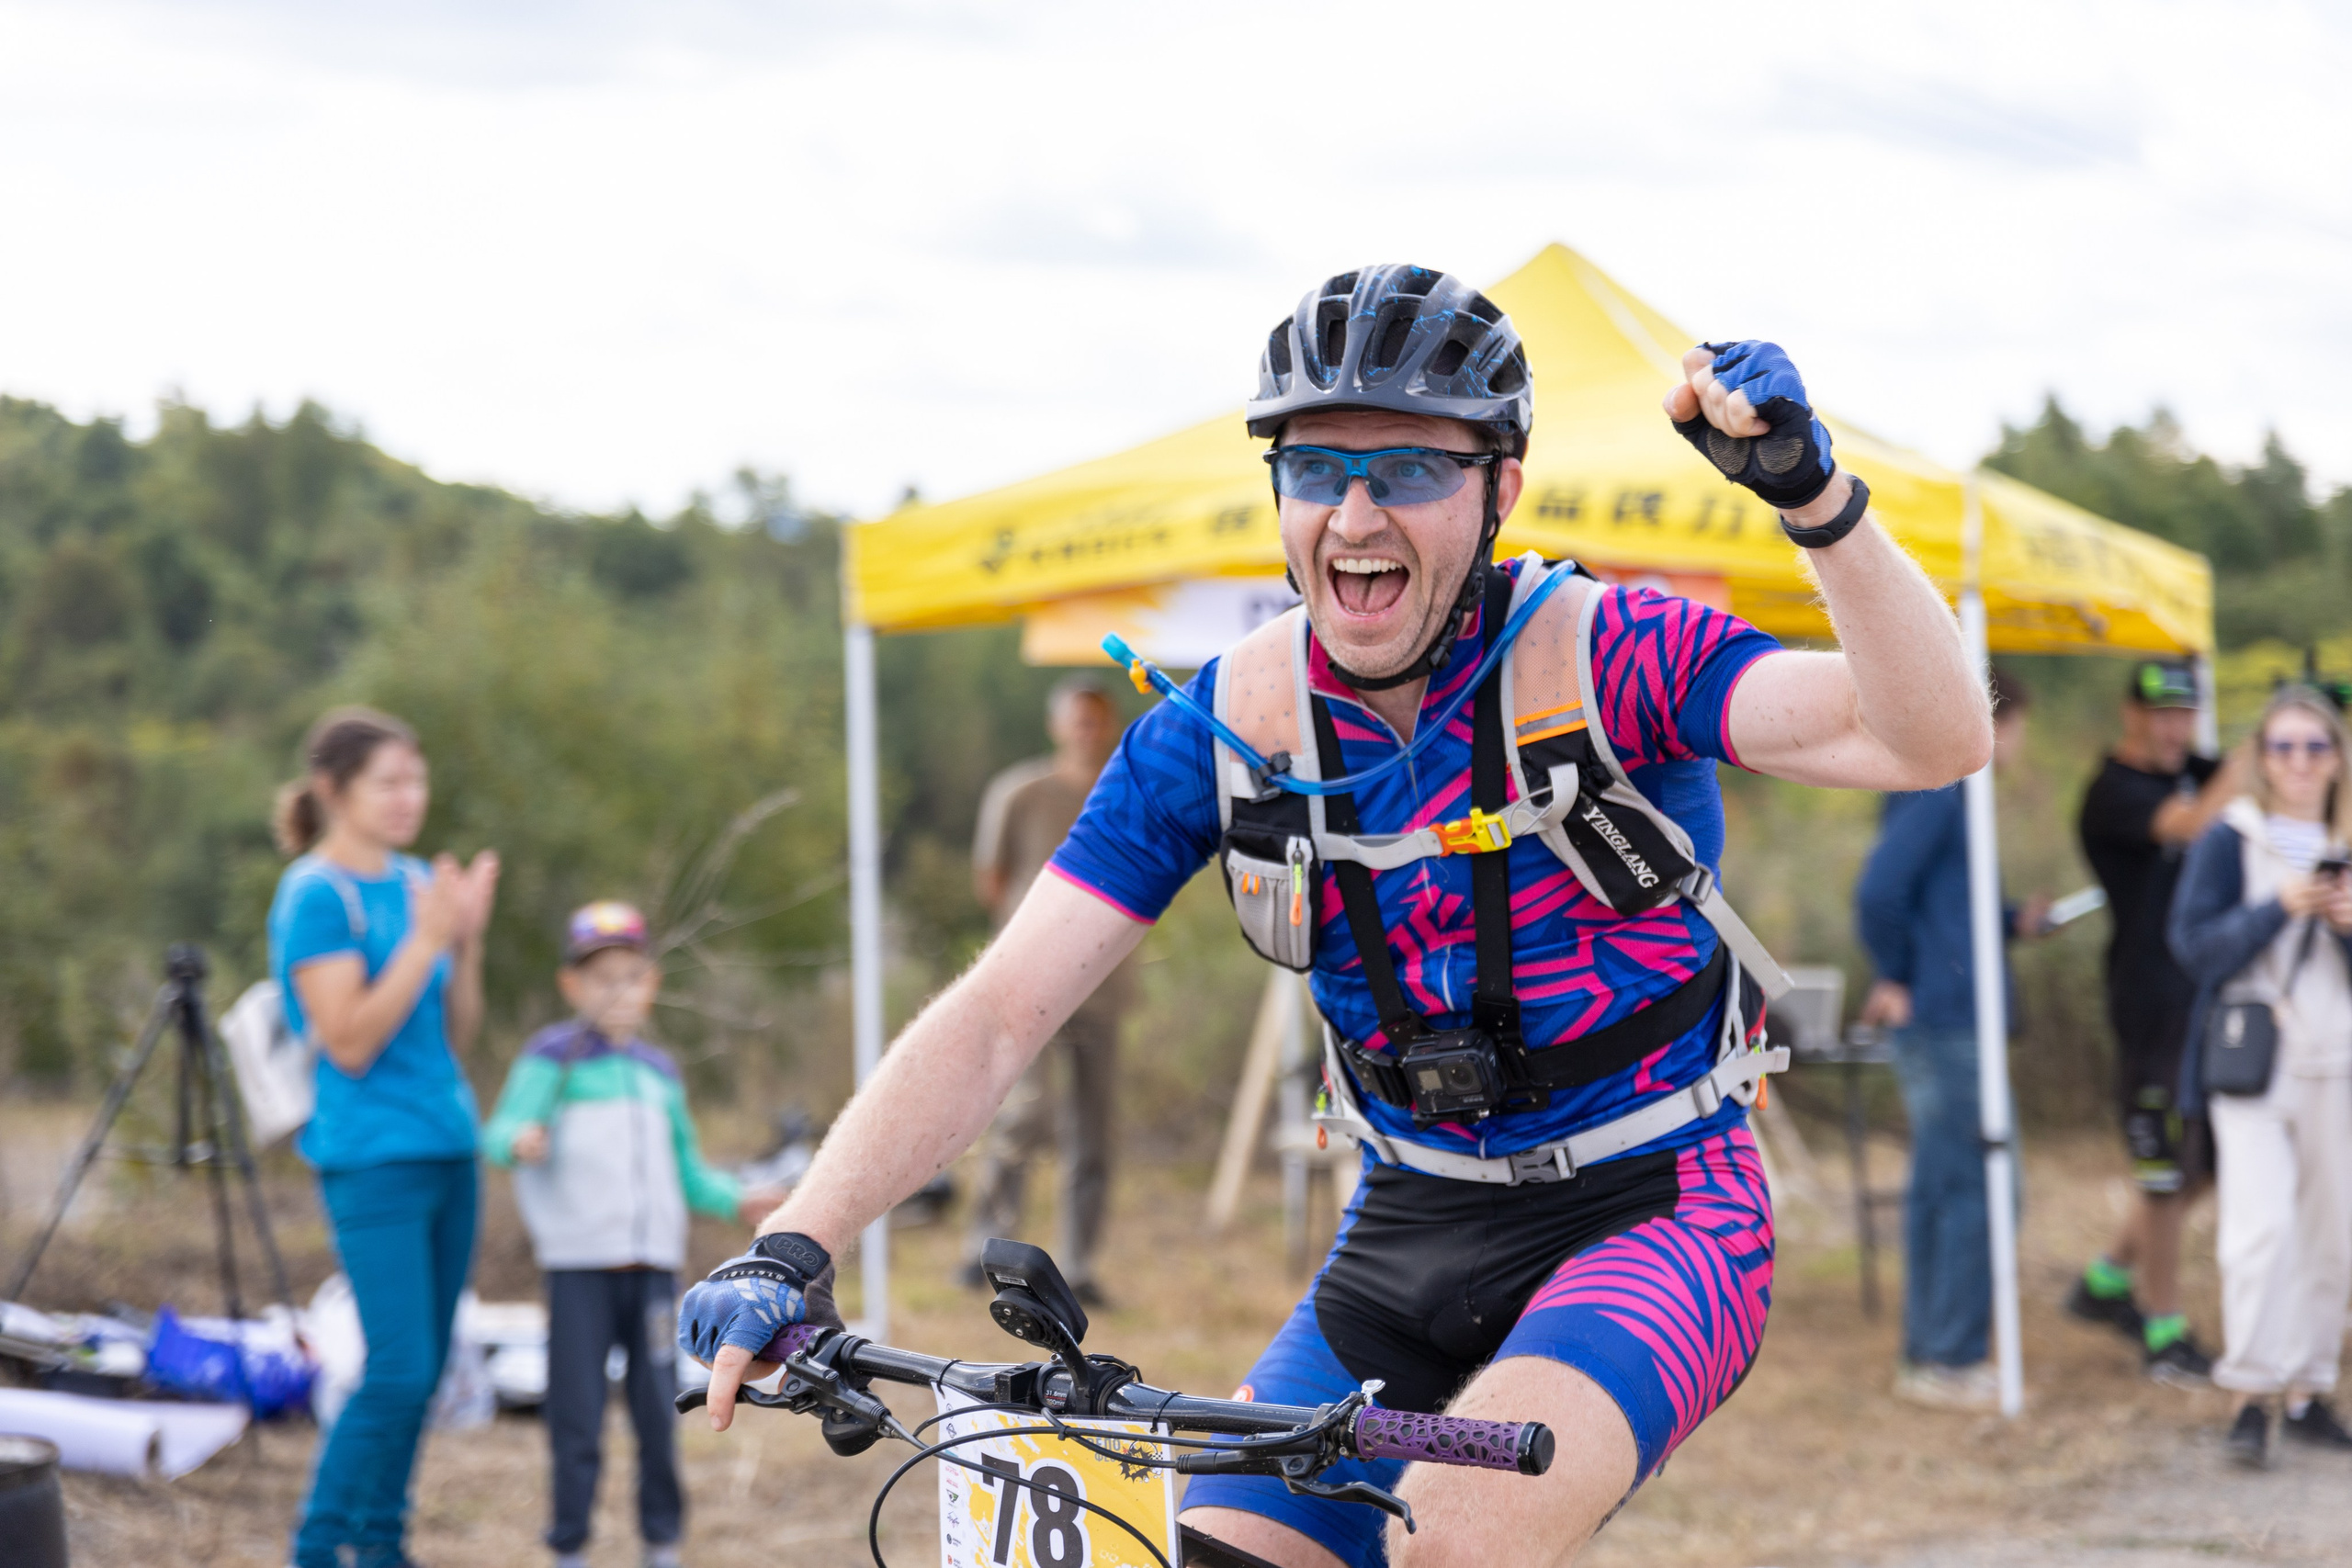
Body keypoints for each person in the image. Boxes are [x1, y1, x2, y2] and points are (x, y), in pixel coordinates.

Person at [678, 266, 1993, 1568]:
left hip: (1654, 1203)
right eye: (1316, 468)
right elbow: (1000, 1010)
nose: (1356, 515)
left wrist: (1815, 501)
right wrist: (793, 1243)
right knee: (1218, 1555)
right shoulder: (1220, 728)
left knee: (1452, 1536)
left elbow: (1933, 738)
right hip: (1409, 1220)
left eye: (1409, 468)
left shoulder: (1611, 652)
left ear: (1500, 488)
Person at [483, 902, 782, 1568]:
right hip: (578, 1271)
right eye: (601, 979)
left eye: (630, 977)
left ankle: (661, 1541)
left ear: (652, 984)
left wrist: (736, 1198)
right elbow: (499, 1133)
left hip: (653, 1275)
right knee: (577, 1415)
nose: (616, 992)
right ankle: (569, 1544)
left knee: (658, 1410)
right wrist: (518, 1140)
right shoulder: (550, 1059)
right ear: (572, 986)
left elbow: (688, 1172)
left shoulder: (658, 1073)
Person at [269, 706, 499, 1568]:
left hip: (450, 1146)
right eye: (389, 782)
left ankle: (383, 1544)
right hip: (372, 1159)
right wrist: (428, 936)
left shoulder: (416, 881)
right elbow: (351, 1040)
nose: (410, 797)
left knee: (425, 1371)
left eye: (417, 779)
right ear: (334, 790)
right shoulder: (316, 894)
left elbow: (457, 1031)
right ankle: (317, 1546)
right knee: (397, 1368)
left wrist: (464, 944)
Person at [1854, 671, 2049, 1409]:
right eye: (2016, 728)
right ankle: (1949, 1355)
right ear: (1994, 720)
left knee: (1943, 1186)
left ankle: (1930, 1353)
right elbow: (1879, 890)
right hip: (1946, 1022)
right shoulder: (1941, 784)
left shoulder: (1944, 788)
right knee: (1982, 1185)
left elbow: (1944, 907)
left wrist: (2008, 920)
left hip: (1952, 1014)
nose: (2017, 746)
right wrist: (1897, 973)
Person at [2169, 685, 2352, 1469]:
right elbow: (2192, 945)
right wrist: (2279, 905)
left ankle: (2310, 1386)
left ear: (2337, 757)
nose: (2300, 762)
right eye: (2284, 746)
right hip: (2254, 1058)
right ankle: (2250, 1393)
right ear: (2262, 758)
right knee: (2260, 1228)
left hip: (2337, 1060)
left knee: (2332, 1233)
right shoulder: (2230, 838)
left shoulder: (2344, 839)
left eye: (2315, 746)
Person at [2066, 659, 2238, 1382]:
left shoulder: (2196, 768)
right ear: (2131, 714)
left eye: (2185, 715)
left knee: (2211, 1165)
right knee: (2165, 1170)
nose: (2175, 730)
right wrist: (2255, 752)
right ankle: (2164, 1329)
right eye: (2162, 714)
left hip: (2205, 999)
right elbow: (2193, 825)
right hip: (2149, 1005)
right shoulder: (2114, 790)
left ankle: (2106, 1280)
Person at [956, 676, 1136, 1303]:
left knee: (1093, 1131)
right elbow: (992, 879)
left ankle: (1079, 1266)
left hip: (1104, 984)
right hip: (1031, 983)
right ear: (1058, 725)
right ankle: (984, 1247)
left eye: (1097, 720)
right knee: (1022, 1116)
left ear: (1110, 726)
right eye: (1078, 720)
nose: (1087, 732)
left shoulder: (1124, 793)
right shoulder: (1021, 792)